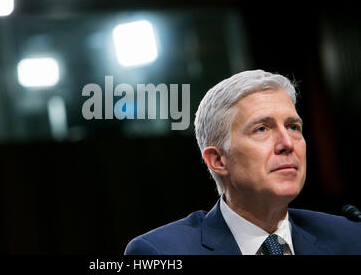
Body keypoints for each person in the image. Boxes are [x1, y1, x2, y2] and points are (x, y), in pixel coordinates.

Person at [124, 69, 361, 255]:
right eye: (261, 129)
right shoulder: (162, 252)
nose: (287, 142)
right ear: (218, 160)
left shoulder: (350, 237)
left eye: (293, 126)